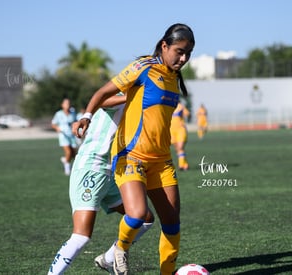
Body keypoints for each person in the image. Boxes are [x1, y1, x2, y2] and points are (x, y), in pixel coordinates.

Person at [74, 23, 195, 275]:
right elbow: (103, 92)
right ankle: (119, 249)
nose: (183, 58)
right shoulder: (143, 67)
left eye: (188, 53)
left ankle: (167, 272)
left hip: (161, 161)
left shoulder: (174, 78)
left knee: (172, 224)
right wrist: (87, 115)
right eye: (179, 51)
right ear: (164, 46)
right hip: (131, 156)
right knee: (138, 214)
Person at [47, 94, 154, 275]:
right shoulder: (123, 97)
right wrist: (133, 95)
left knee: (144, 218)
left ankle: (109, 259)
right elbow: (101, 101)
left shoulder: (145, 104)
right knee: (81, 236)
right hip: (91, 168)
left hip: (111, 171)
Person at [51, 98, 77, 175]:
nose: (67, 105)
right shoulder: (58, 114)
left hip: (71, 135)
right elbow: (53, 124)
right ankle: (67, 169)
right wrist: (57, 128)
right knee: (68, 152)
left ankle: (65, 160)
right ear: (62, 105)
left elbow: (75, 122)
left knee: (74, 154)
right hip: (63, 135)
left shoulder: (73, 113)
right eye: (66, 104)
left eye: (69, 103)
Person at [170, 101, 191, 171]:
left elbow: (188, 114)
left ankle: (181, 165)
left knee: (180, 147)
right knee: (178, 149)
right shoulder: (169, 106)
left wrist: (186, 119)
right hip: (172, 130)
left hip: (180, 130)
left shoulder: (180, 106)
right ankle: (185, 165)